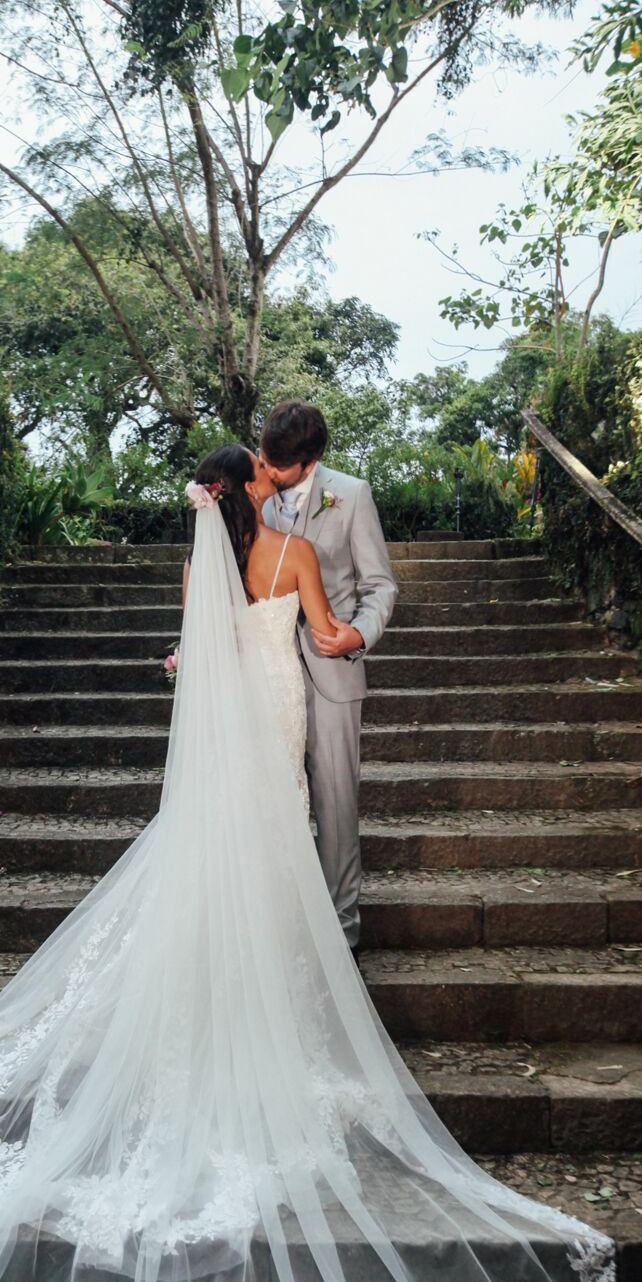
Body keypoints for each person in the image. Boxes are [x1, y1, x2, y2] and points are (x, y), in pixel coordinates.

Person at [0, 444, 614, 1282]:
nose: (274, 481)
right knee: (276, 856)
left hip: (218, 733)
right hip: (274, 716)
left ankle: (205, 999)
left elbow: (195, 647)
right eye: (262, 474)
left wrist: (190, 662)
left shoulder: (201, 566)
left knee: (210, 854)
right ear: (255, 486)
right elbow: (321, 635)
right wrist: (342, 635)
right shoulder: (295, 548)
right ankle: (267, 999)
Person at [258, 401, 397, 956]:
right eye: (264, 457)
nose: (267, 470)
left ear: (311, 460)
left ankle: (341, 934)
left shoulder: (353, 495)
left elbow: (380, 585)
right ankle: (279, 922)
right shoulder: (253, 491)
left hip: (333, 671)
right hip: (267, 670)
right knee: (271, 799)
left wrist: (357, 635)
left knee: (337, 803)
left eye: (279, 465)